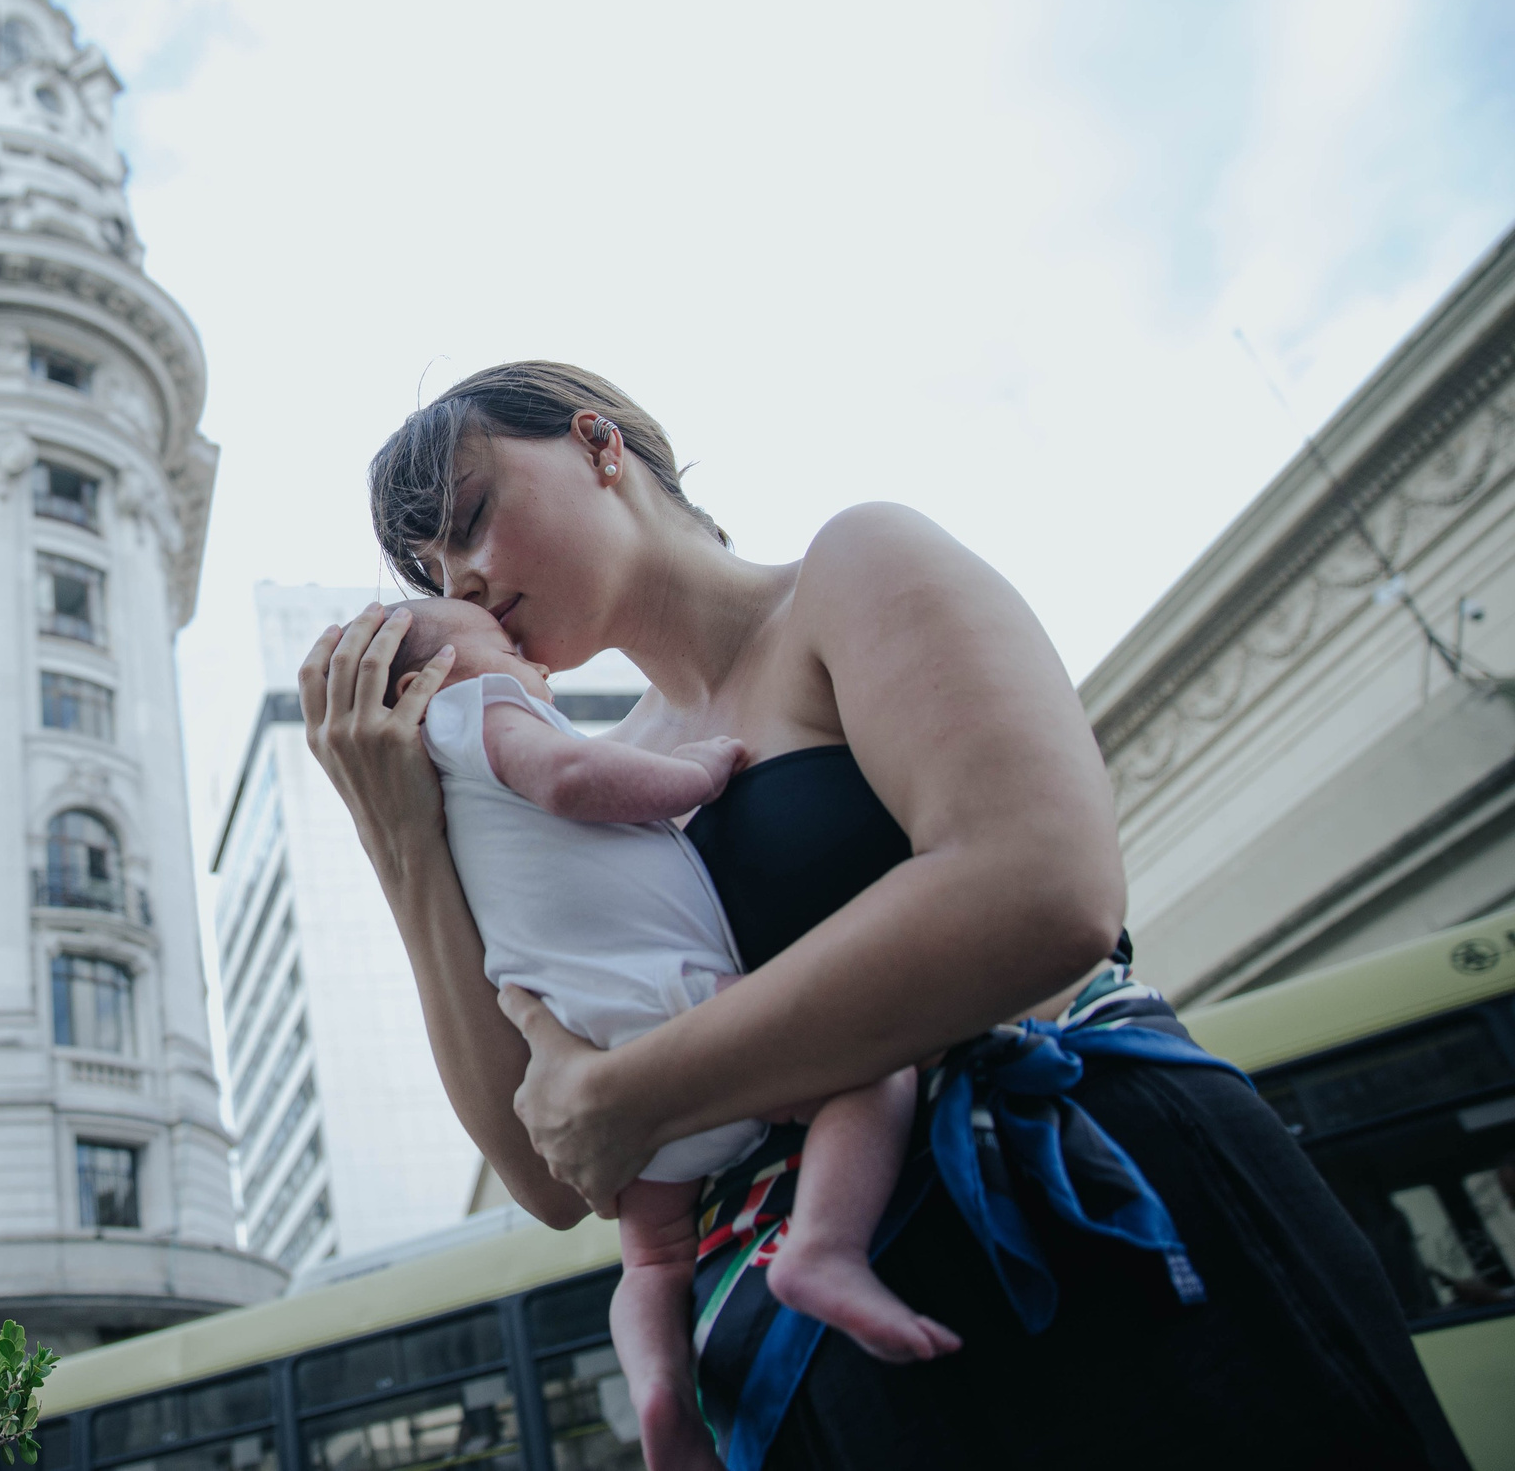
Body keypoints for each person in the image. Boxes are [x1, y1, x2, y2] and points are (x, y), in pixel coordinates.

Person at [300, 361, 1468, 1470]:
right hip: (841, 1366)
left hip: (1096, 1220)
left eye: (468, 514)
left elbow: (1041, 886)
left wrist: (629, 1088)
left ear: (599, 444)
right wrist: (399, 832)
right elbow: (552, 1174)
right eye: (428, 565)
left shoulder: (852, 568)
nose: (453, 577)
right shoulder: (601, 770)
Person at [389, 594, 957, 1471]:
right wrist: (696, 772)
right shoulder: (474, 710)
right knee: (868, 1069)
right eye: (499, 638)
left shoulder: (450, 797)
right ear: (434, 679)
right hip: (667, 999)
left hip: (596, 1043)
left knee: (653, 1261)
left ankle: (660, 1388)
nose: (529, 658)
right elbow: (576, 782)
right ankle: (825, 1248)